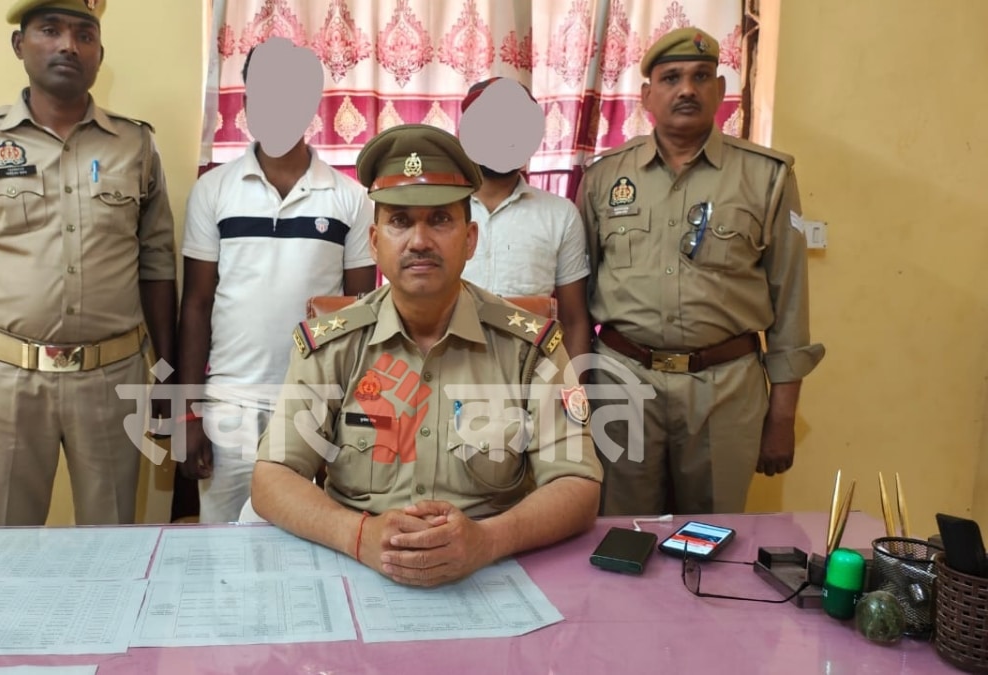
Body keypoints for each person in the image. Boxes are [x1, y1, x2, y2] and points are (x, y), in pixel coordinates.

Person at [250, 124, 602, 588]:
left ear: (470, 239)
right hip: (358, 570)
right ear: (374, 242)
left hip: (491, 574)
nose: (419, 240)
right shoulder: (333, 345)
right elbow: (272, 477)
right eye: (400, 221)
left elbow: (577, 484)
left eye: (439, 220)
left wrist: (487, 541)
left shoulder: (528, 347)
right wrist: (359, 536)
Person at [0, 0, 178, 526]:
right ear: (20, 45)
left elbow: (156, 269)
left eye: (84, 35)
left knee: (112, 546)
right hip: (5, 381)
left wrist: (167, 378)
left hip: (112, 380)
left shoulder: (135, 144)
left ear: (99, 54)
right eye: (50, 30)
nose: (68, 45)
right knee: (6, 549)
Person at [577, 27, 825, 516]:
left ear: (720, 89)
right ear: (647, 95)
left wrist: (782, 416)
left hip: (725, 391)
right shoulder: (604, 177)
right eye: (671, 78)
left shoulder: (766, 177)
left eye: (701, 76)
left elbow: (791, 301)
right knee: (622, 531)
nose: (687, 89)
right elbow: (578, 297)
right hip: (623, 384)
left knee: (712, 537)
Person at [177, 37, 376, 523]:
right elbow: (196, 305)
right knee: (223, 545)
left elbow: (361, 314)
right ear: (246, 102)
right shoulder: (213, 190)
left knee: (306, 539)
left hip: (314, 403)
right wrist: (189, 413)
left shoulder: (350, 199)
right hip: (230, 403)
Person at [458, 77, 591, 363]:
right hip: (448, 370)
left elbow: (574, 320)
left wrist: (572, 387)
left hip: (532, 375)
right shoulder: (438, 212)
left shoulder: (560, 214)